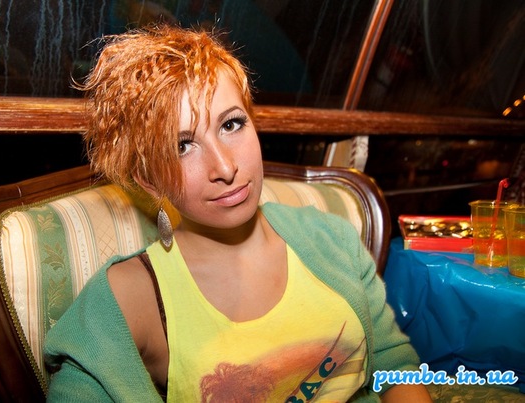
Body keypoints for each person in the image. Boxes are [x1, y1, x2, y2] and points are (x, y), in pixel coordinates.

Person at [44, 24, 432, 402]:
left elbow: (392, 362)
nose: (225, 167)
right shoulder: (130, 297)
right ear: (149, 181)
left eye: (231, 124)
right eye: (182, 146)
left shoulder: (329, 237)